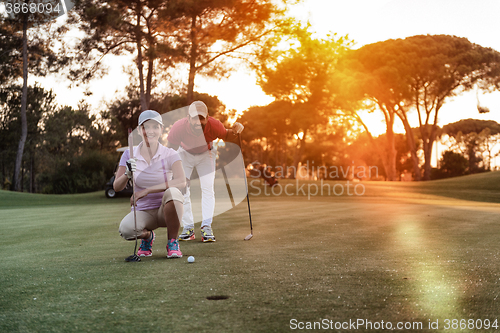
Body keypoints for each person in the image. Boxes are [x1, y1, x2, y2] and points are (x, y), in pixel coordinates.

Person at [167, 101, 244, 242]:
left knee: (207, 187)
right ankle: (188, 227)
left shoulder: (215, 125)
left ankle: (206, 226)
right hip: (184, 154)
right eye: (194, 118)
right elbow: (170, 149)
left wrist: (236, 130)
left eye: (201, 118)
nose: (198, 122)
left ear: (207, 117)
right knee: (182, 189)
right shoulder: (178, 127)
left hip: (206, 154)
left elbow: (228, 135)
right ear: (188, 117)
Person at [114, 110, 186, 258]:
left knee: (173, 193)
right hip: (144, 212)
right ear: (140, 130)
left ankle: (172, 242)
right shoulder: (129, 154)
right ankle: (147, 238)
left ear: (161, 129)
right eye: (146, 127)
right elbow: (116, 187)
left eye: (155, 127)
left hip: (165, 210)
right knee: (126, 230)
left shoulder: (170, 153)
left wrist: (146, 191)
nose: (150, 131)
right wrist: (127, 175)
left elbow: (181, 181)